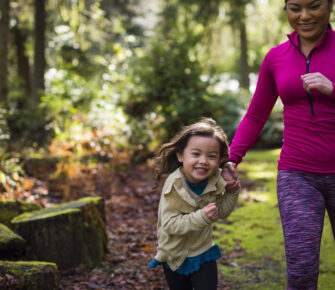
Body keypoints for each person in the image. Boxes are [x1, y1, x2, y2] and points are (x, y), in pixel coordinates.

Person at [223, 0, 335, 289]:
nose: (305, 16)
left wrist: (332, 89)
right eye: (295, 8)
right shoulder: (276, 58)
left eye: (314, 6)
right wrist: (232, 158)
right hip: (297, 174)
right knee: (300, 272)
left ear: (331, 6)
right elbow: (256, 114)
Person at [149, 118, 240, 290]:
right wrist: (202, 217)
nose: (204, 161)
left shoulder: (214, 179)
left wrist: (232, 191)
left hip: (202, 251)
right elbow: (169, 225)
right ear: (180, 155)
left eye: (211, 156)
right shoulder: (174, 186)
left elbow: (222, 212)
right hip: (174, 254)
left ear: (219, 159)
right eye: (196, 154)